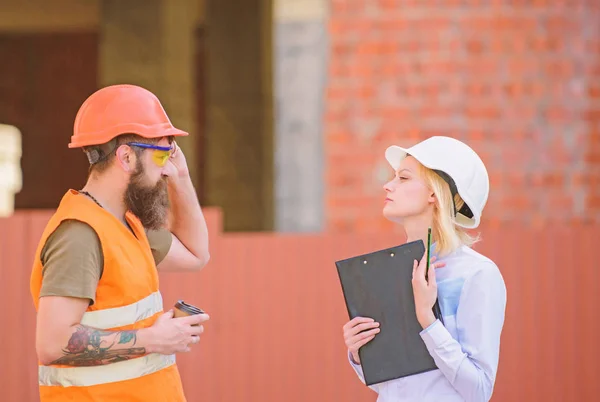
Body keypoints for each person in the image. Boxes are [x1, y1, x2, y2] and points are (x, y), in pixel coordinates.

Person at [30, 84, 211, 401]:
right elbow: (52, 343)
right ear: (126, 157)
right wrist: (154, 339)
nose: (165, 167)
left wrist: (181, 178)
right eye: (160, 155)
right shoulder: (79, 234)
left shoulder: (128, 222)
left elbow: (196, 255)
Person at [342, 136, 507, 402]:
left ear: (434, 192)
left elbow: (479, 390)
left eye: (403, 178)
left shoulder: (477, 274)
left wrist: (427, 319)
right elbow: (395, 387)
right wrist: (360, 353)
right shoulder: (392, 270)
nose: (388, 185)